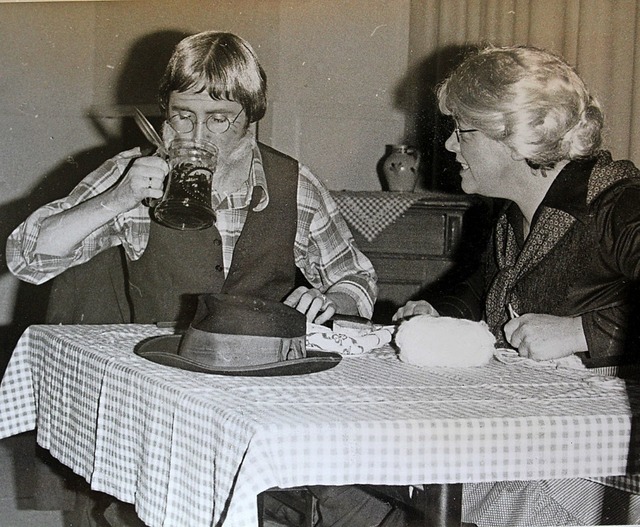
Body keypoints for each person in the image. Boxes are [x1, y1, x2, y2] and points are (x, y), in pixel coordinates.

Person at [6, 31, 383, 526]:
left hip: (263, 398)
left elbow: (358, 278)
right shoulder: (135, 175)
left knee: (355, 497)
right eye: (183, 116)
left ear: (250, 120)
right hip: (164, 401)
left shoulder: (293, 183)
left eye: (219, 119)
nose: (197, 137)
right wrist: (116, 200)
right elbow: (27, 259)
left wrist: (332, 298)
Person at [393, 45, 640, 526]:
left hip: (598, 473)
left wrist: (584, 332)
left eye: (461, 131)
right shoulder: (513, 214)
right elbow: (480, 289)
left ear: (516, 137)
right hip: (539, 436)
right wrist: (438, 313)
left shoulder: (619, 204)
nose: (448, 146)